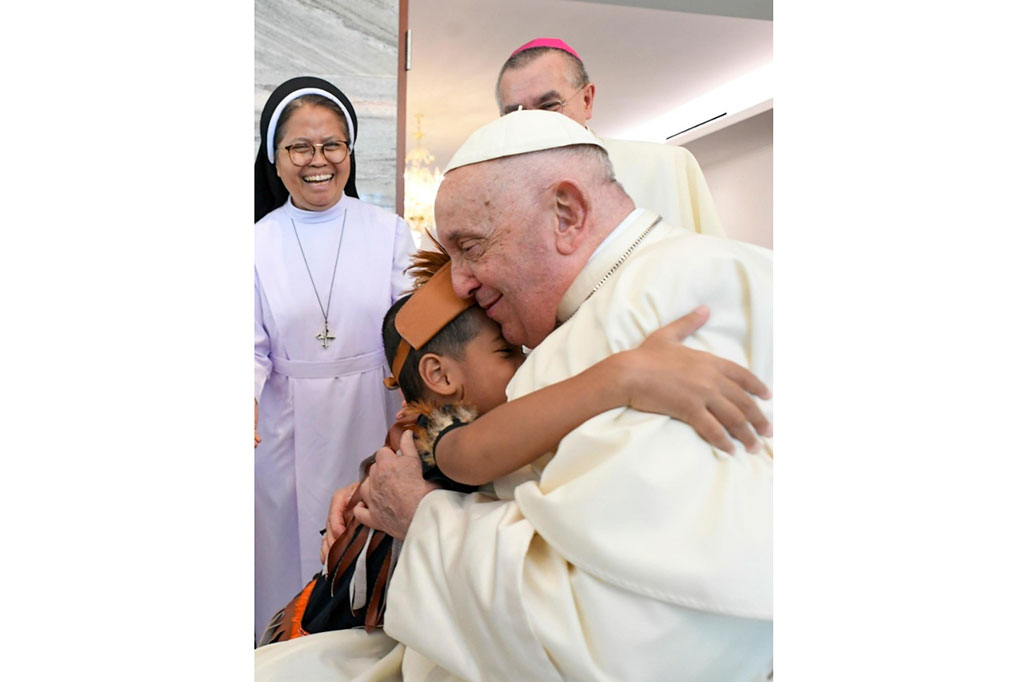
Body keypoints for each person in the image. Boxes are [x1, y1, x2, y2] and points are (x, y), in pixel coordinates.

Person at [258, 249, 770, 645]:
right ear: (438, 376)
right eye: (507, 352)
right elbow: (475, 453)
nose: (527, 364)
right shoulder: (442, 435)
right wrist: (621, 378)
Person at [254, 75, 417, 636]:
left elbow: (412, 325)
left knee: (367, 547)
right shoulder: (252, 244)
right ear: (275, 159)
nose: (317, 160)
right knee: (287, 556)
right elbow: (243, 346)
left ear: (349, 152)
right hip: (286, 426)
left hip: (373, 410)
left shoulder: (391, 231)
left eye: (332, 145)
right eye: (299, 146)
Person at [496, 37, 726, 238]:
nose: (532, 123)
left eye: (548, 106)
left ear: (587, 100)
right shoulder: (497, 195)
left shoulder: (667, 165)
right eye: (515, 114)